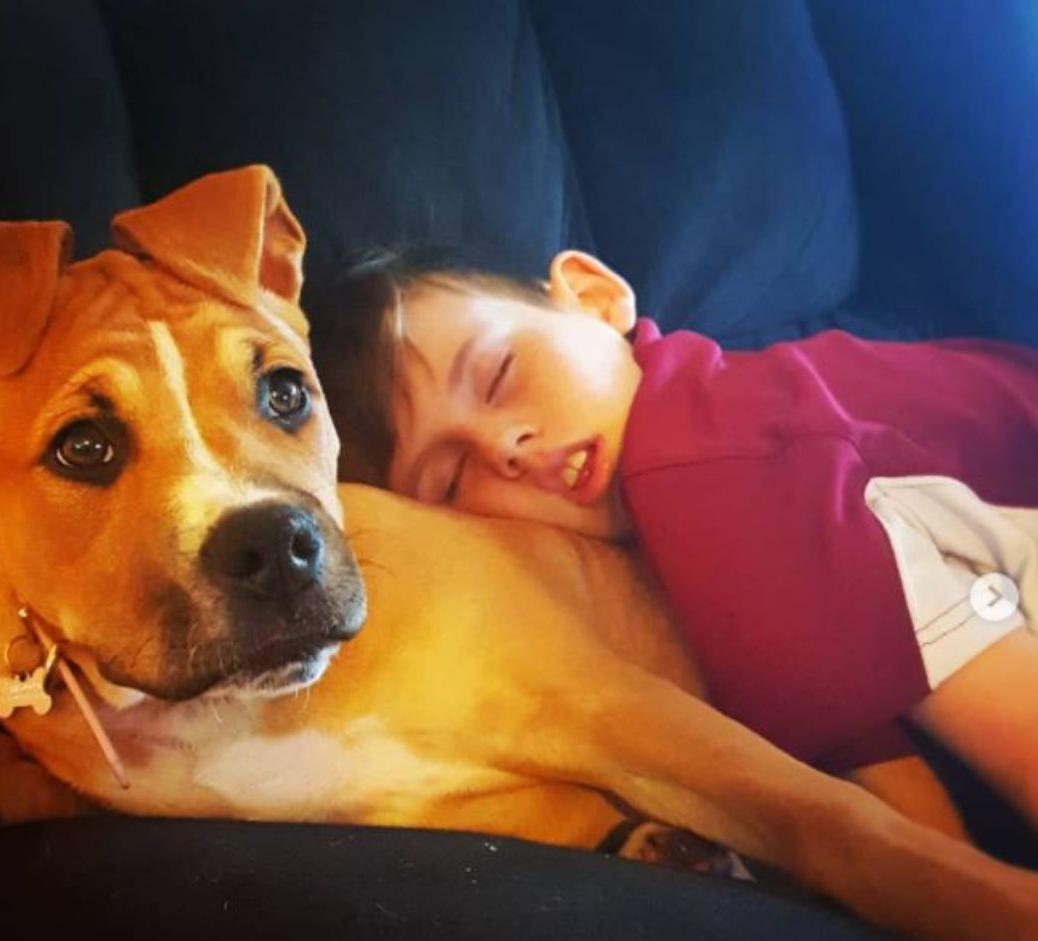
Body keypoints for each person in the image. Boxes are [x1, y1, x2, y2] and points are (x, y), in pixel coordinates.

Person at [307, 248, 1038, 823]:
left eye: (499, 373)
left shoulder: (693, 456)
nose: (507, 444)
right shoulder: (709, 484)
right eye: (453, 480)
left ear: (593, 297)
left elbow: (977, 729)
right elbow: (842, 680)